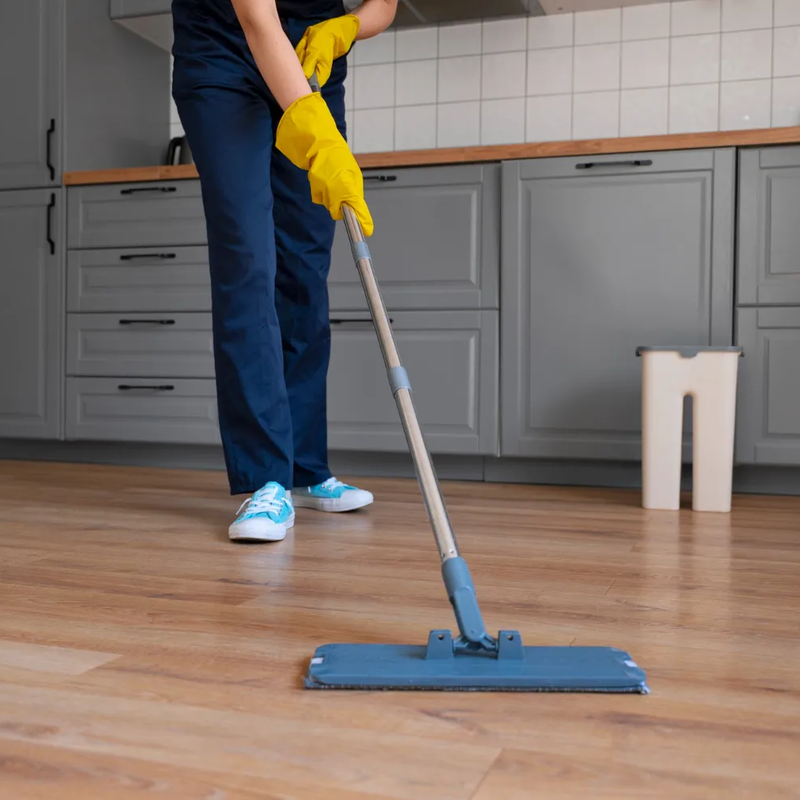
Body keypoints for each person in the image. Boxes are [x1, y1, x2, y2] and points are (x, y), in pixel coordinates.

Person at [170, 0, 397, 542]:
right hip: (223, 53)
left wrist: (346, 28)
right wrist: (318, 140)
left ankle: (304, 468)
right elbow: (255, 17)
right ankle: (266, 478)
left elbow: (384, 6)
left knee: (304, 267)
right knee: (248, 260)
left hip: (309, 55)